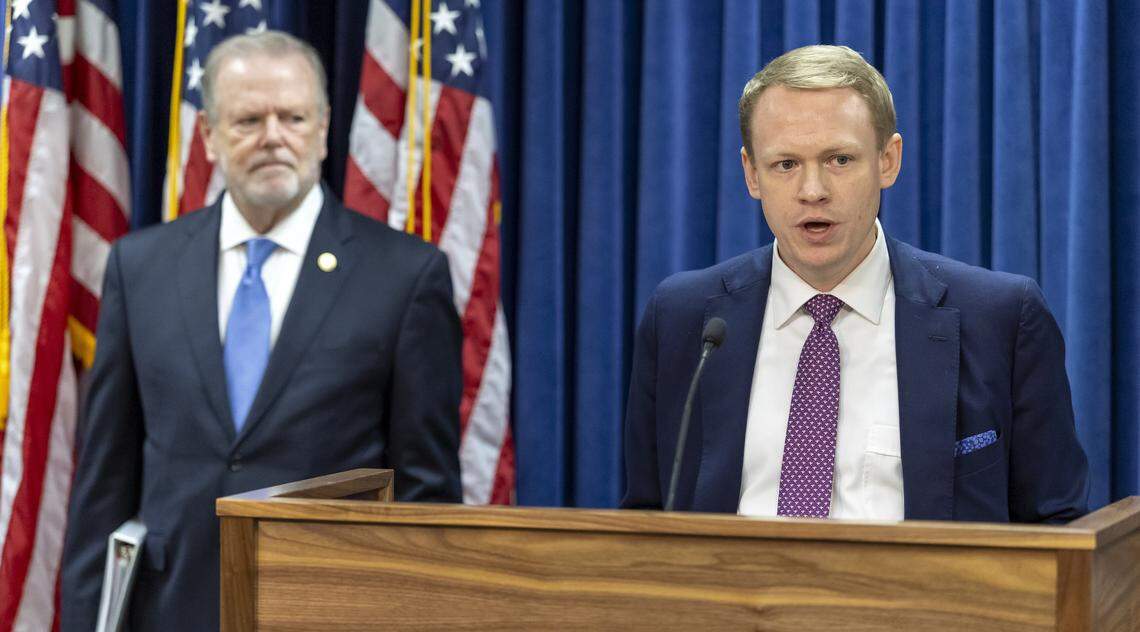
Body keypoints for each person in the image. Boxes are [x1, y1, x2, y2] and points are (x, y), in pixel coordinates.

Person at [61, 31, 462, 632]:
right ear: (209, 136)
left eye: (293, 117)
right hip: (170, 611)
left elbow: (425, 496)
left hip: (329, 612)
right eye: (249, 119)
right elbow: (104, 486)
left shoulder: (405, 277)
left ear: (324, 128)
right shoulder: (139, 268)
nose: (274, 137)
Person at [622, 45, 1088, 523]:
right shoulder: (684, 318)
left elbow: (1058, 530)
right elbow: (645, 520)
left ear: (888, 160)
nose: (813, 190)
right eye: (785, 164)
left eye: (839, 160)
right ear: (751, 174)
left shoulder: (1001, 319)